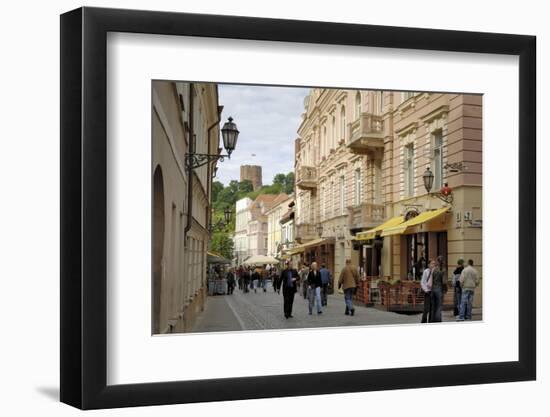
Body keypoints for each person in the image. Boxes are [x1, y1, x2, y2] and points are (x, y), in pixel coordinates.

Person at [430, 256, 448, 322]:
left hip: (433, 289)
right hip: (439, 289)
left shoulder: (434, 269)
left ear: (437, 261)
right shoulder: (443, 269)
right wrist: (445, 289)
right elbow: (444, 282)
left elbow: (431, 279)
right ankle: (438, 321)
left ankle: (432, 320)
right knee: (439, 306)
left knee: (433, 306)